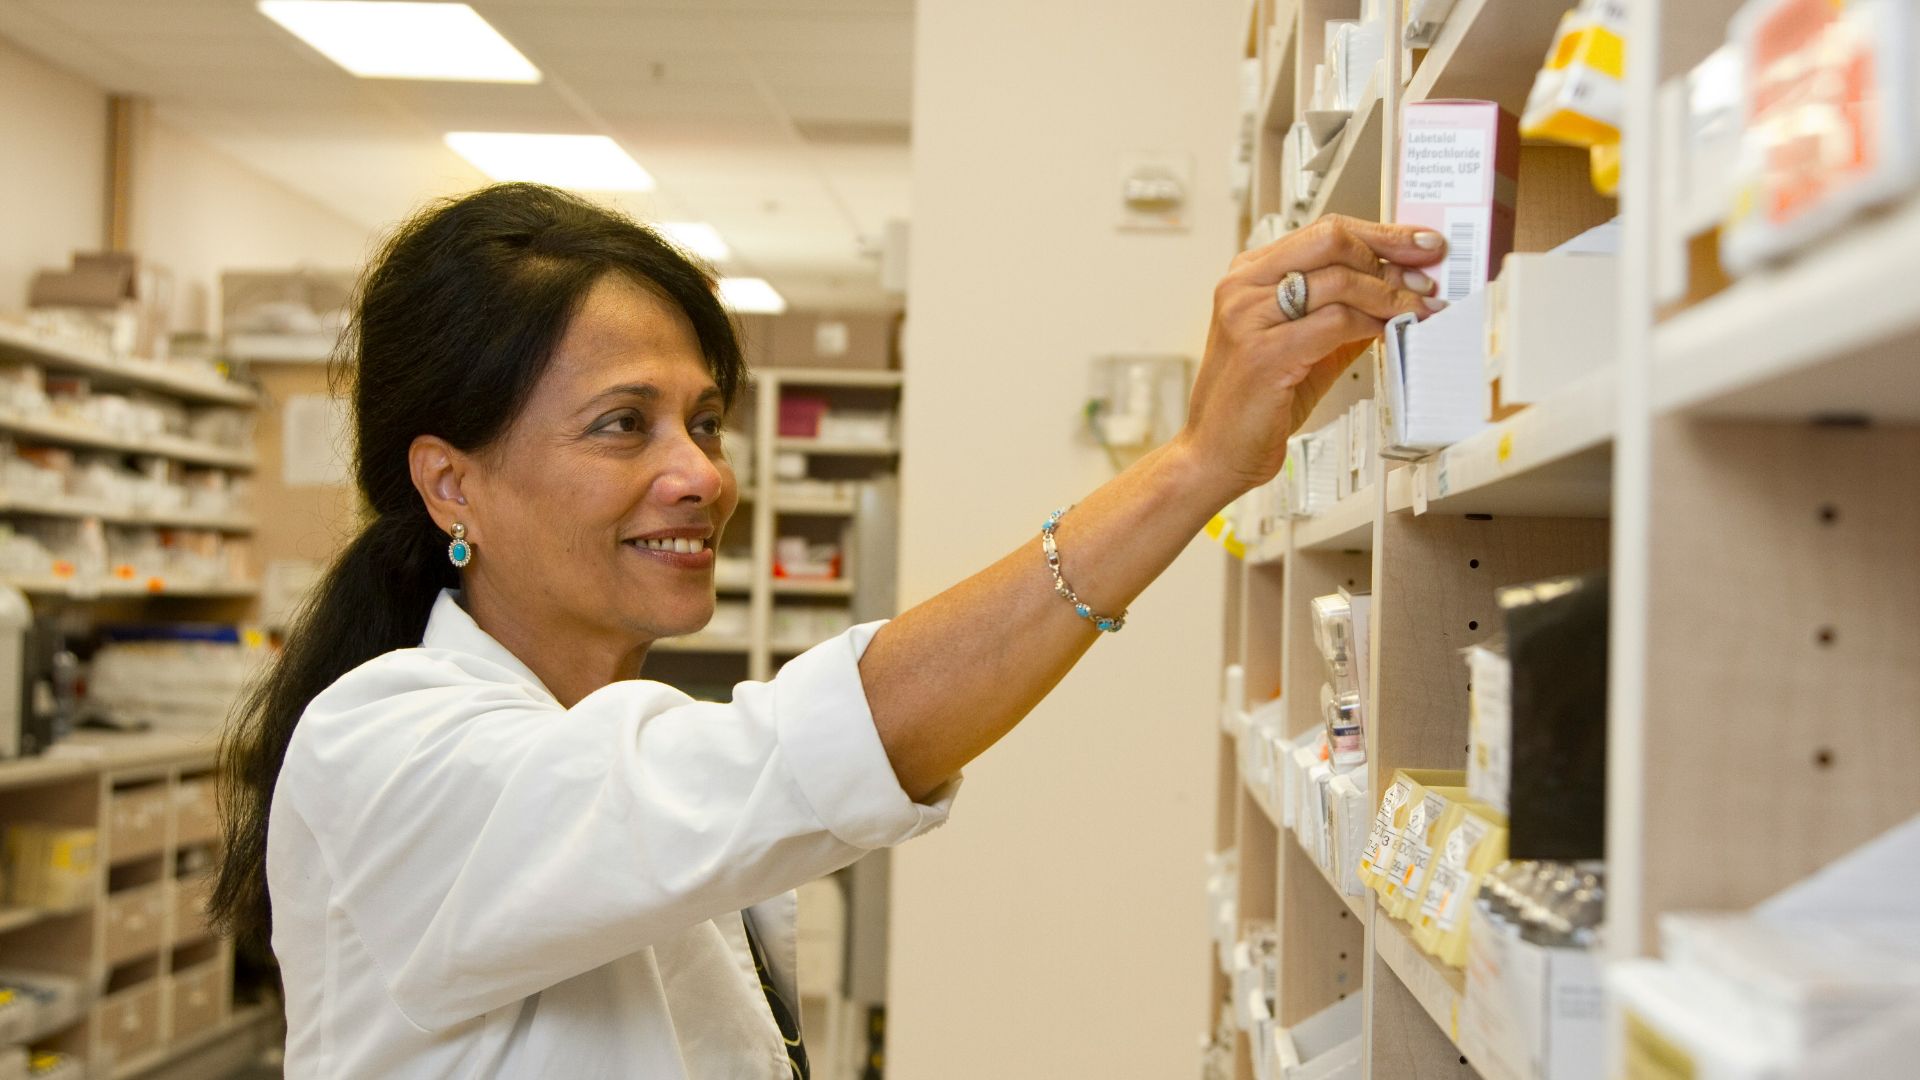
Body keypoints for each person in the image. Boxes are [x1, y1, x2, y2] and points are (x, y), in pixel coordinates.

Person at [211, 182, 1447, 1078]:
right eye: (621, 424)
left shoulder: (612, 743)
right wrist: (1190, 469)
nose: (698, 472)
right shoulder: (385, 753)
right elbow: (813, 747)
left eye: (702, 419)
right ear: (451, 484)